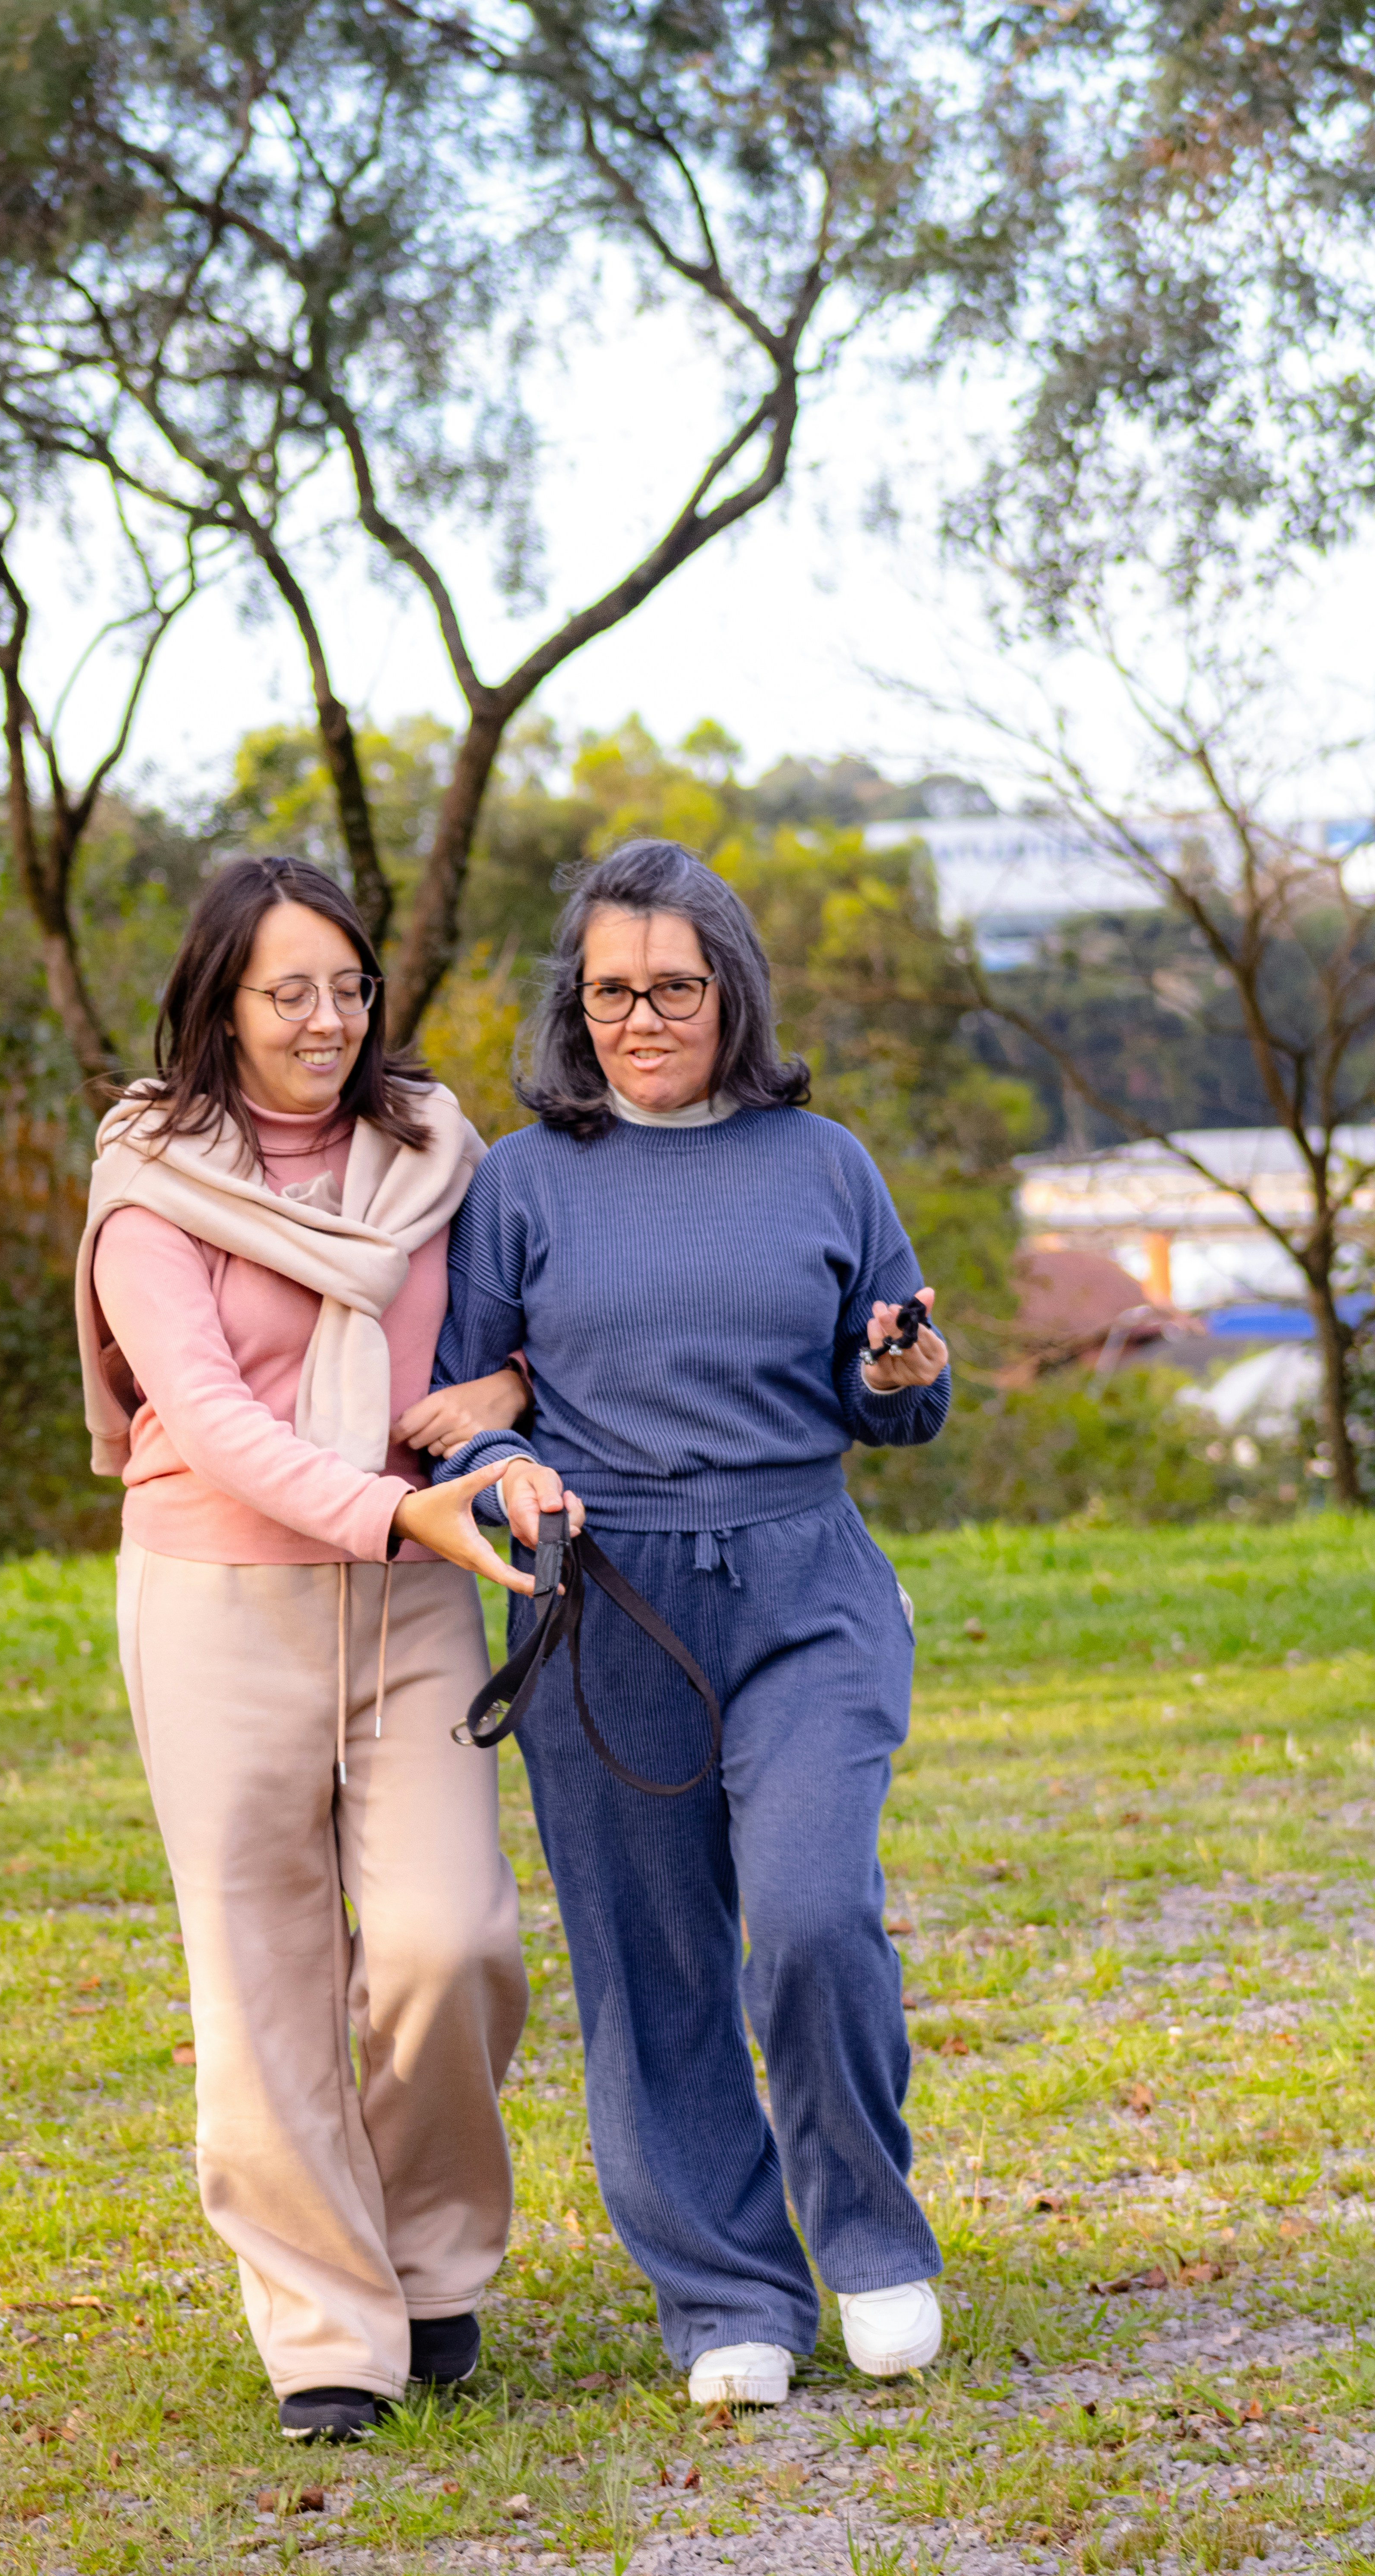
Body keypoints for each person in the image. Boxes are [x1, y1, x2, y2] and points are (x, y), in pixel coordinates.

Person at [421, 838, 952, 2402]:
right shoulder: (523, 1184)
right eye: (610, 994)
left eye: (672, 989)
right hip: (608, 1605)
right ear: (573, 1007)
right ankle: (728, 2295)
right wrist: (507, 1471)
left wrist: (899, 1374)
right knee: (649, 1963)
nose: (639, 1021)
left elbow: (892, 1394)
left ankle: (872, 2240)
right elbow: (461, 1408)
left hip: (804, 1588)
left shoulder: (825, 1163)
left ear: (732, 992)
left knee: (814, 1914)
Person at [74, 854, 573, 2444]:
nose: (327, 1020)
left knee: (451, 1943)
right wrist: (389, 1510)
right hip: (219, 1601)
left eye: (349, 987)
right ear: (220, 1003)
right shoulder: (152, 1184)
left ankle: (429, 2264)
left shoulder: (436, 1151)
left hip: (418, 1594)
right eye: (288, 991)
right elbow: (211, 1417)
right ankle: (326, 2333)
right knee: (263, 1974)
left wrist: (500, 1400)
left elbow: (516, 1323)